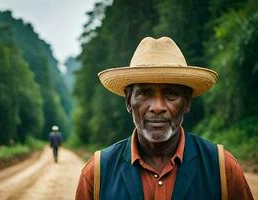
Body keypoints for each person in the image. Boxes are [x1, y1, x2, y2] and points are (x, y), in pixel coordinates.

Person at [75, 37, 254, 199]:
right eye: (145, 93)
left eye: (171, 94)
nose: (158, 107)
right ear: (129, 101)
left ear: (187, 102)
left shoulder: (223, 169)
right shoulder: (97, 173)